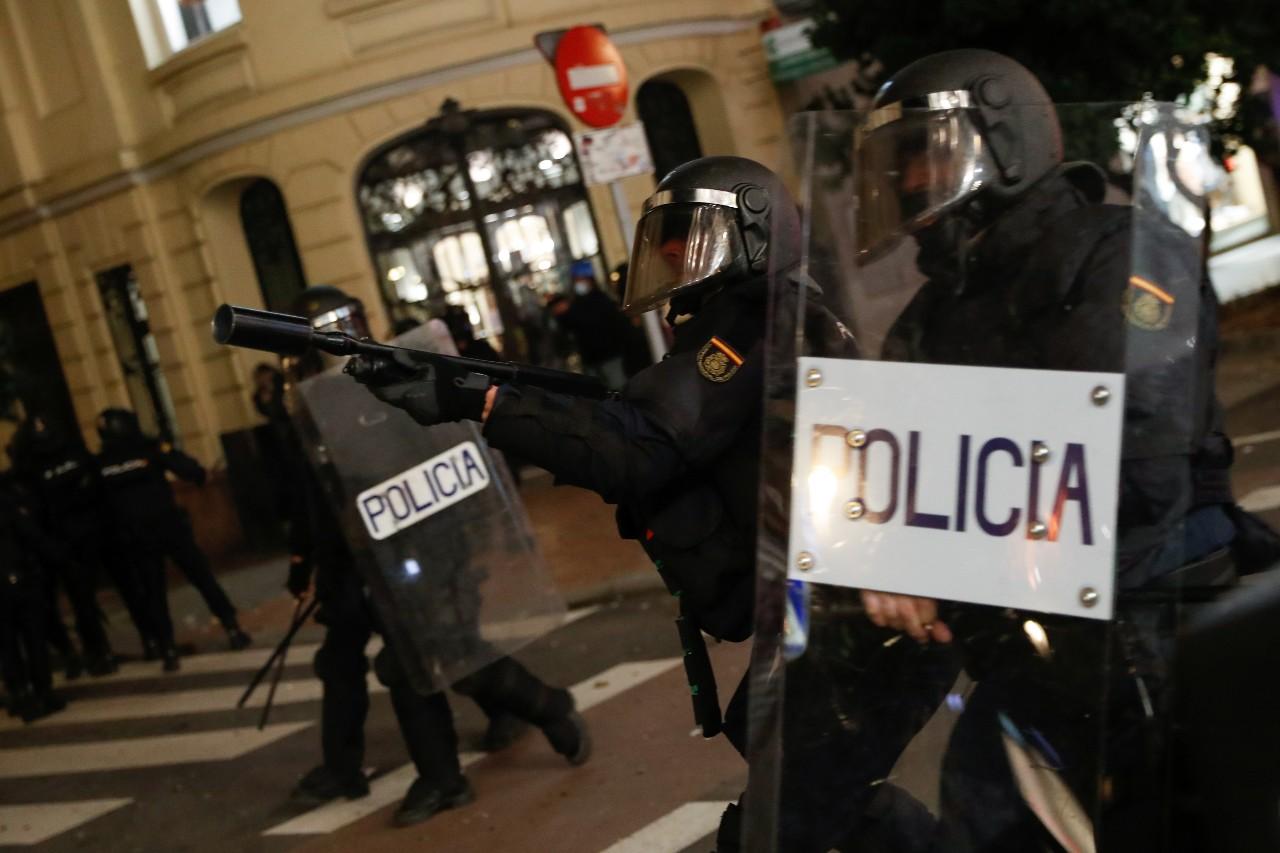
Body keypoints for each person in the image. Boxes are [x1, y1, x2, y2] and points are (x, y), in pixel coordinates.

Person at [769, 49, 1253, 851]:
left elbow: (1127, 453)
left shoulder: (1125, 252)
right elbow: (885, 475)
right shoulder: (931, 314)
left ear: (1005, 136)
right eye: (897, 164)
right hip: (1030, 633)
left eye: (925, 152)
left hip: (1153, 614)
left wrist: (931, 550)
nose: (911, 181)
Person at [345, 156, 856, 846]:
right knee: (803, 797)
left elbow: (639, 445)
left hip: (829, 602)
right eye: (667, 243)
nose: (673, 255)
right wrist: (480, 389)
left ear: (750, 232)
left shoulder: (755, 322)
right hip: (807, 597)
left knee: (793, 814)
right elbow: (630, 418)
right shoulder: (751, 316)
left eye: (689, 239)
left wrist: (480, 400)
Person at [272, 285, 589, 827]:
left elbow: (445, 455)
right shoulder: (314, 407)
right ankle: (449, 770)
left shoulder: (389, 379)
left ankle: (538, 712)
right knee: (407, 661)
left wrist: (460, 541)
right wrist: (313, 566)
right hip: (366, 558)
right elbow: (319, 500)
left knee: (424, 658)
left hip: (424, 549)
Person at [94, 409, 251, 670]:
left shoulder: (101, 463)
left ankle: (167, 647)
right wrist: (200, 474)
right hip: (168, 527)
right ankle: (231, 627)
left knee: (154, 592)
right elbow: (186, 468)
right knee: (201, 577)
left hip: (136, 536)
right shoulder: (149, 448)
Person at [7, 414, 132, 673]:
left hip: (58, 544)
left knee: (73, 602)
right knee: (85, 599)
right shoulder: (69, 455)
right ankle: (95, 651)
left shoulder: (29, 469)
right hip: (78, 539)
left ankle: (85, 653)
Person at [0, 471, 69, 723]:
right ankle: (42, 694)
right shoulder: (7, 504)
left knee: (7, 646)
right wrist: (59, 556)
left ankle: (20, 695)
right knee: (33, 639)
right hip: (18, 581)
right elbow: (30, 535)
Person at [547, 260, 630, 390]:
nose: (579, 283)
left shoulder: (601, 300)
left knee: (618, 388)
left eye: (581, 279)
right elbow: (571, 326)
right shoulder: (576, 303)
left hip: (610, 355)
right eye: (577, 280)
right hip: (591, 359)